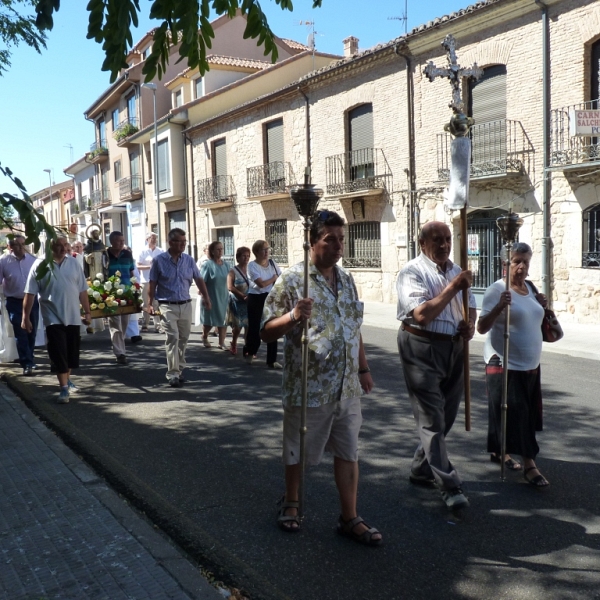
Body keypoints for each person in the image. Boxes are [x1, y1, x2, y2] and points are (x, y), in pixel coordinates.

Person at [262, 210, 382, 546]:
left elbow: (352, 328)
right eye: (331, 239)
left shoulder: (345, 280)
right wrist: (293, 315)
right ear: (312, 241)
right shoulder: (292, 280)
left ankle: (349, 517)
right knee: (298, 449)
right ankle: (292, 501)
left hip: (345, 386)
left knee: (348, 451)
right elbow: (265, 333)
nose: (339, 246)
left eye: (341, 240)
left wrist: (363, 368)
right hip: (308, 387)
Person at [396, 221, 476, 511]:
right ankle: (449, 485)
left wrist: (470, 324)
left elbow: (471, 304)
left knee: (448, 414)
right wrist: (455, 287)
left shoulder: (457, 270)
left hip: (454, 346)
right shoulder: (412, 272)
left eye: (447, 239)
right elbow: (421, 314)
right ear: (422, 244)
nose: (443, 245)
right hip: (422, 346)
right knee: (431, 417)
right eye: (436, 240)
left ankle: (421, 467)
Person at [477, 242, 549, 488]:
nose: (522, 267)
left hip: (531, 363)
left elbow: (535, 319)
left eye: (526, 261)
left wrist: (543, 305)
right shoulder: (495, 289)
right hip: (504, 361)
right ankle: (530, 465)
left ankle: (499, 452)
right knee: (518, 414)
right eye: (516, 261)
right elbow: (481, 327)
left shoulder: (530, 288)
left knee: (514, 412)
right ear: (504, 264)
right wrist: (499, 306)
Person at [22, 237, 91, 404]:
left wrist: (88, 312)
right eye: (58, 246)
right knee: (59, 352)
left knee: (70, 355)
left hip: (73, 317)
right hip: (53, 317)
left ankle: (66, 380)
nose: (62, 249)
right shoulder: (40, 265)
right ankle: (64, 388)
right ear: (49, 247)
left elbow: (82, 290)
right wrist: (26, 317)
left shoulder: (74, 263)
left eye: (64, 245)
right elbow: (30, 293)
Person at [147, 228, 212, 387]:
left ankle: (179, 367)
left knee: (183, 338)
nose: (183, 244)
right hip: (167, 305)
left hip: (185, 304)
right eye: (180, 241)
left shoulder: (189, 260)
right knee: (173, 337)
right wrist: (149, 303)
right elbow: (153, 282)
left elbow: (198, 279)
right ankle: (173, 373)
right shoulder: (159, 261)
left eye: (185, 241)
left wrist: (206, 298)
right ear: (171, 242)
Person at [0, 236, 38, 375]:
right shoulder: (3, 261)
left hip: (32, 300)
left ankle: (30, 358)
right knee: (20, 331)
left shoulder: (34, 260)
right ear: (10, 247)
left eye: (23, 244)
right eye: (17, 245)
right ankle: (26, 362)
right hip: (14, 301)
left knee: (31, 331)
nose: (21, 248)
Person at [244, 240, 282, 368]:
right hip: (255, 298)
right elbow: (261, 284)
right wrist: (273, 279)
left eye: (267, 249)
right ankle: (250, 351)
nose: (266, 252)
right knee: (254, 327)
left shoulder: (272, 264)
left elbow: (281, 279)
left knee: (272, 326)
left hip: (270, 297)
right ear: (256, 252)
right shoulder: (252, 266)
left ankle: (272, 360)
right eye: (263, 250)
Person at [106, 231, 136, 364]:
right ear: (112, 241)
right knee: (115, 323)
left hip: (127, 292)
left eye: (123, 240)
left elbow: (131, 271)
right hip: (111, 293)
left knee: (124, 323)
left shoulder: (127, 254)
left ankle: (119, 344)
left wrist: (135, 288)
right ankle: (120, 353)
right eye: (119, 240)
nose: (122, 243)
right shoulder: (105, 254)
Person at [200, 241, 230, 349]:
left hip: (223, 296)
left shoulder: (226, 265)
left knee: (223, 319)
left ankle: (221, 342)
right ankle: (204, 336)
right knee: (210, 321)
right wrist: (205, 297)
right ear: (212, 251)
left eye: (221, 249)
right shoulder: (207, 265)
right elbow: (202, 281)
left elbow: (230, 280)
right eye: (218, 249)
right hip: (211, 295)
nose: (220, 251)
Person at [137, 232, 164, 333]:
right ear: (147, 239)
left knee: (156, 303)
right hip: (146, 280)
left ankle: (158, 325)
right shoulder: (143, 251)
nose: (154, 240)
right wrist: (150, 267)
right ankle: (145, 324)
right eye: (152, 238)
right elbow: (138, 266)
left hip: (157, 281)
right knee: (146, 302)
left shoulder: (160, 251)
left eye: (155, 238)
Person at [227, 246, 251, 355]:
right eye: (243, 256)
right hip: (237, 301)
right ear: (238, 257)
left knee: (249, 325)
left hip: (250, 301)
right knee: (238, 326)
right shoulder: (233, 271)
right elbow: (230, 287)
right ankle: (234, 343)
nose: (246, 258)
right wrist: (242, 296)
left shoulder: (251, 269)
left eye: (248, 256)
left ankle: (247, 347)